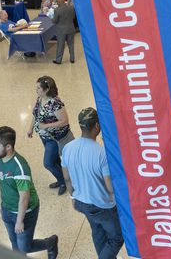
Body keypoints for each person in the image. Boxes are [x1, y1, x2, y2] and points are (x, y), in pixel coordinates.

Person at [61, 107, 124, 258]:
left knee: (97, 231)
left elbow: (67, 178)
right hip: (102, 206)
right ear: (97, 126)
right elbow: (109, 187)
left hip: (81, 202)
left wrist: (73, 197)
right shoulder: (102, 154)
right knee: (116, 238)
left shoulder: (68, 148)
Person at [0, 126, 59, 258]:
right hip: (7, 209)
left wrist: (19, 221)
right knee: (15, 245)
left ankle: (50, 243)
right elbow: (3, 184)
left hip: (25, 212)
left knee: (24, 246)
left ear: (8, 147)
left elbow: (24, 197)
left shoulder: (20, 167)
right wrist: (2, 205)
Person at [27, 76, 73, 196]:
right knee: (55, 160)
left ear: (46, 89)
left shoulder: (55, 104)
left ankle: (64, 181)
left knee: (48, 163)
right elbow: (35, 114)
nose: (36, 90)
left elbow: (64, 121)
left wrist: (46, 126)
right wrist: (30, 128)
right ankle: (61, 179)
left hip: (54, 138)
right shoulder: (40, 98)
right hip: (44, 137)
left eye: (38, 88)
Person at [52, 0, 76, 64]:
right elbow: (73, 17)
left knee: (60, 45)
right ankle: (72, 59)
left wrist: (50, 19)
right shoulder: (71, 8)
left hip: (61, 30)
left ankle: (58, 60)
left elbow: (54, 21)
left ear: (58, 2)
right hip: (71, 28)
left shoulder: (57, 10)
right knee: (71, 44)